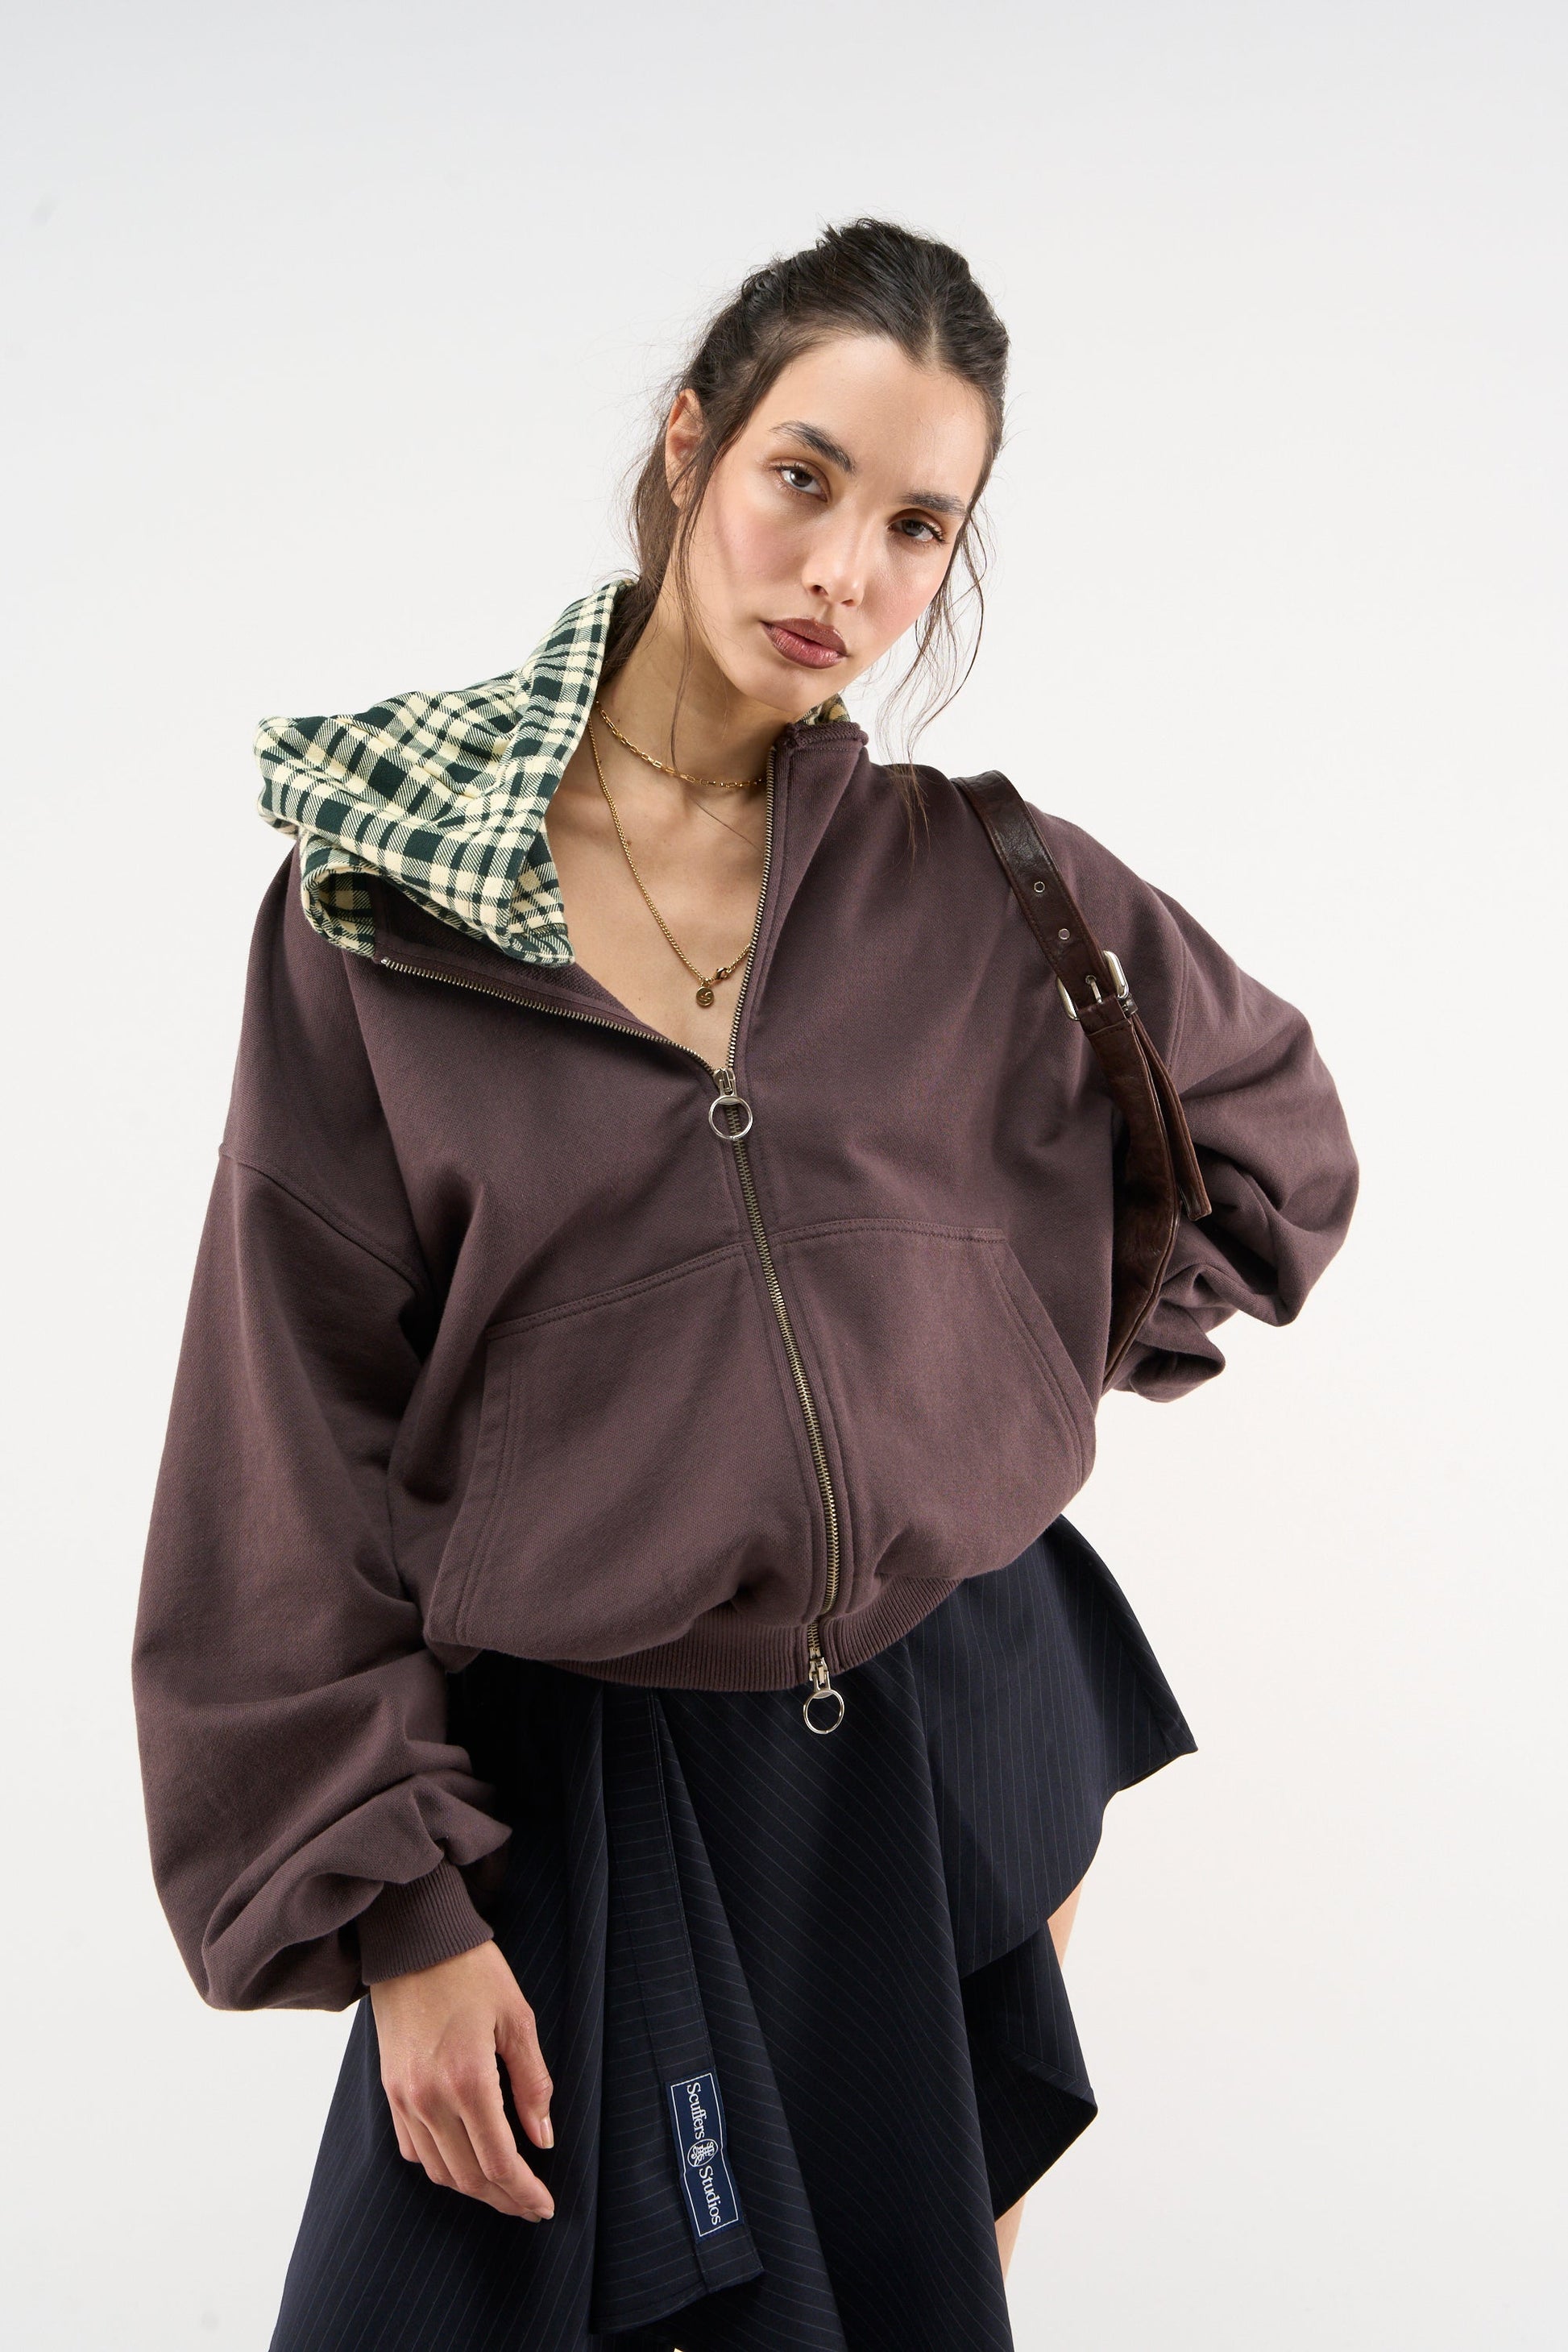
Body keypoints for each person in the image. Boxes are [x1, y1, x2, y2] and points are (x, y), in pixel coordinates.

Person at [131, 218, 1359, 2352]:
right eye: (805, 478)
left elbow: (1268, 1144)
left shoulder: (979, 881)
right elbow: (285, 1432)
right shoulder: (391, 895)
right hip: (591, 1770)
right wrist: (400, 1916)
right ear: (693, 446)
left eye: (916, 526)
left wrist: (973, 1372)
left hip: (961, 1709)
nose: (844, 575)